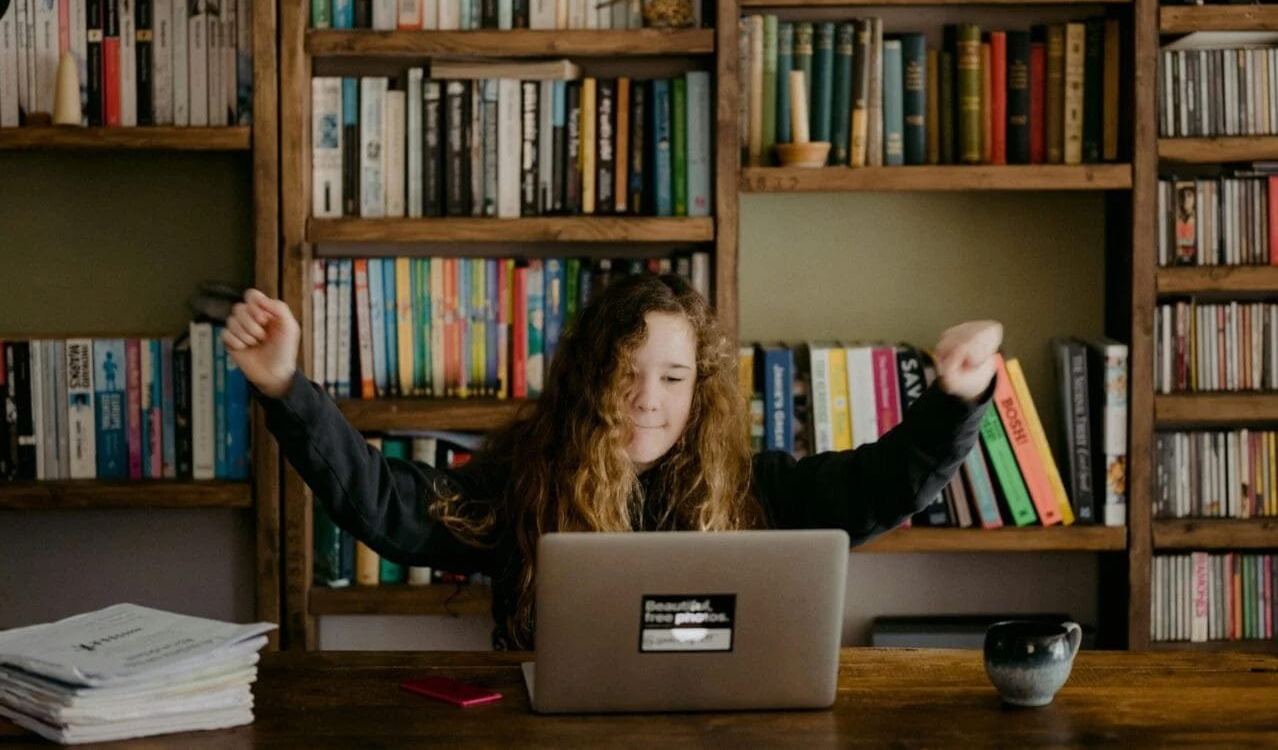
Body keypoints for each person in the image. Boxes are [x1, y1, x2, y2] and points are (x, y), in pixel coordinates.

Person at [225, 273, 1001, 650]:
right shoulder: (528, 482)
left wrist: (956, 400)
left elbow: (876, 488)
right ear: (589, 378)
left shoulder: (753, 487)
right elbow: (387, 506)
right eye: (624, 373)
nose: (646, 400)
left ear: (699, 390)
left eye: (672, 378)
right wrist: (286, 388)